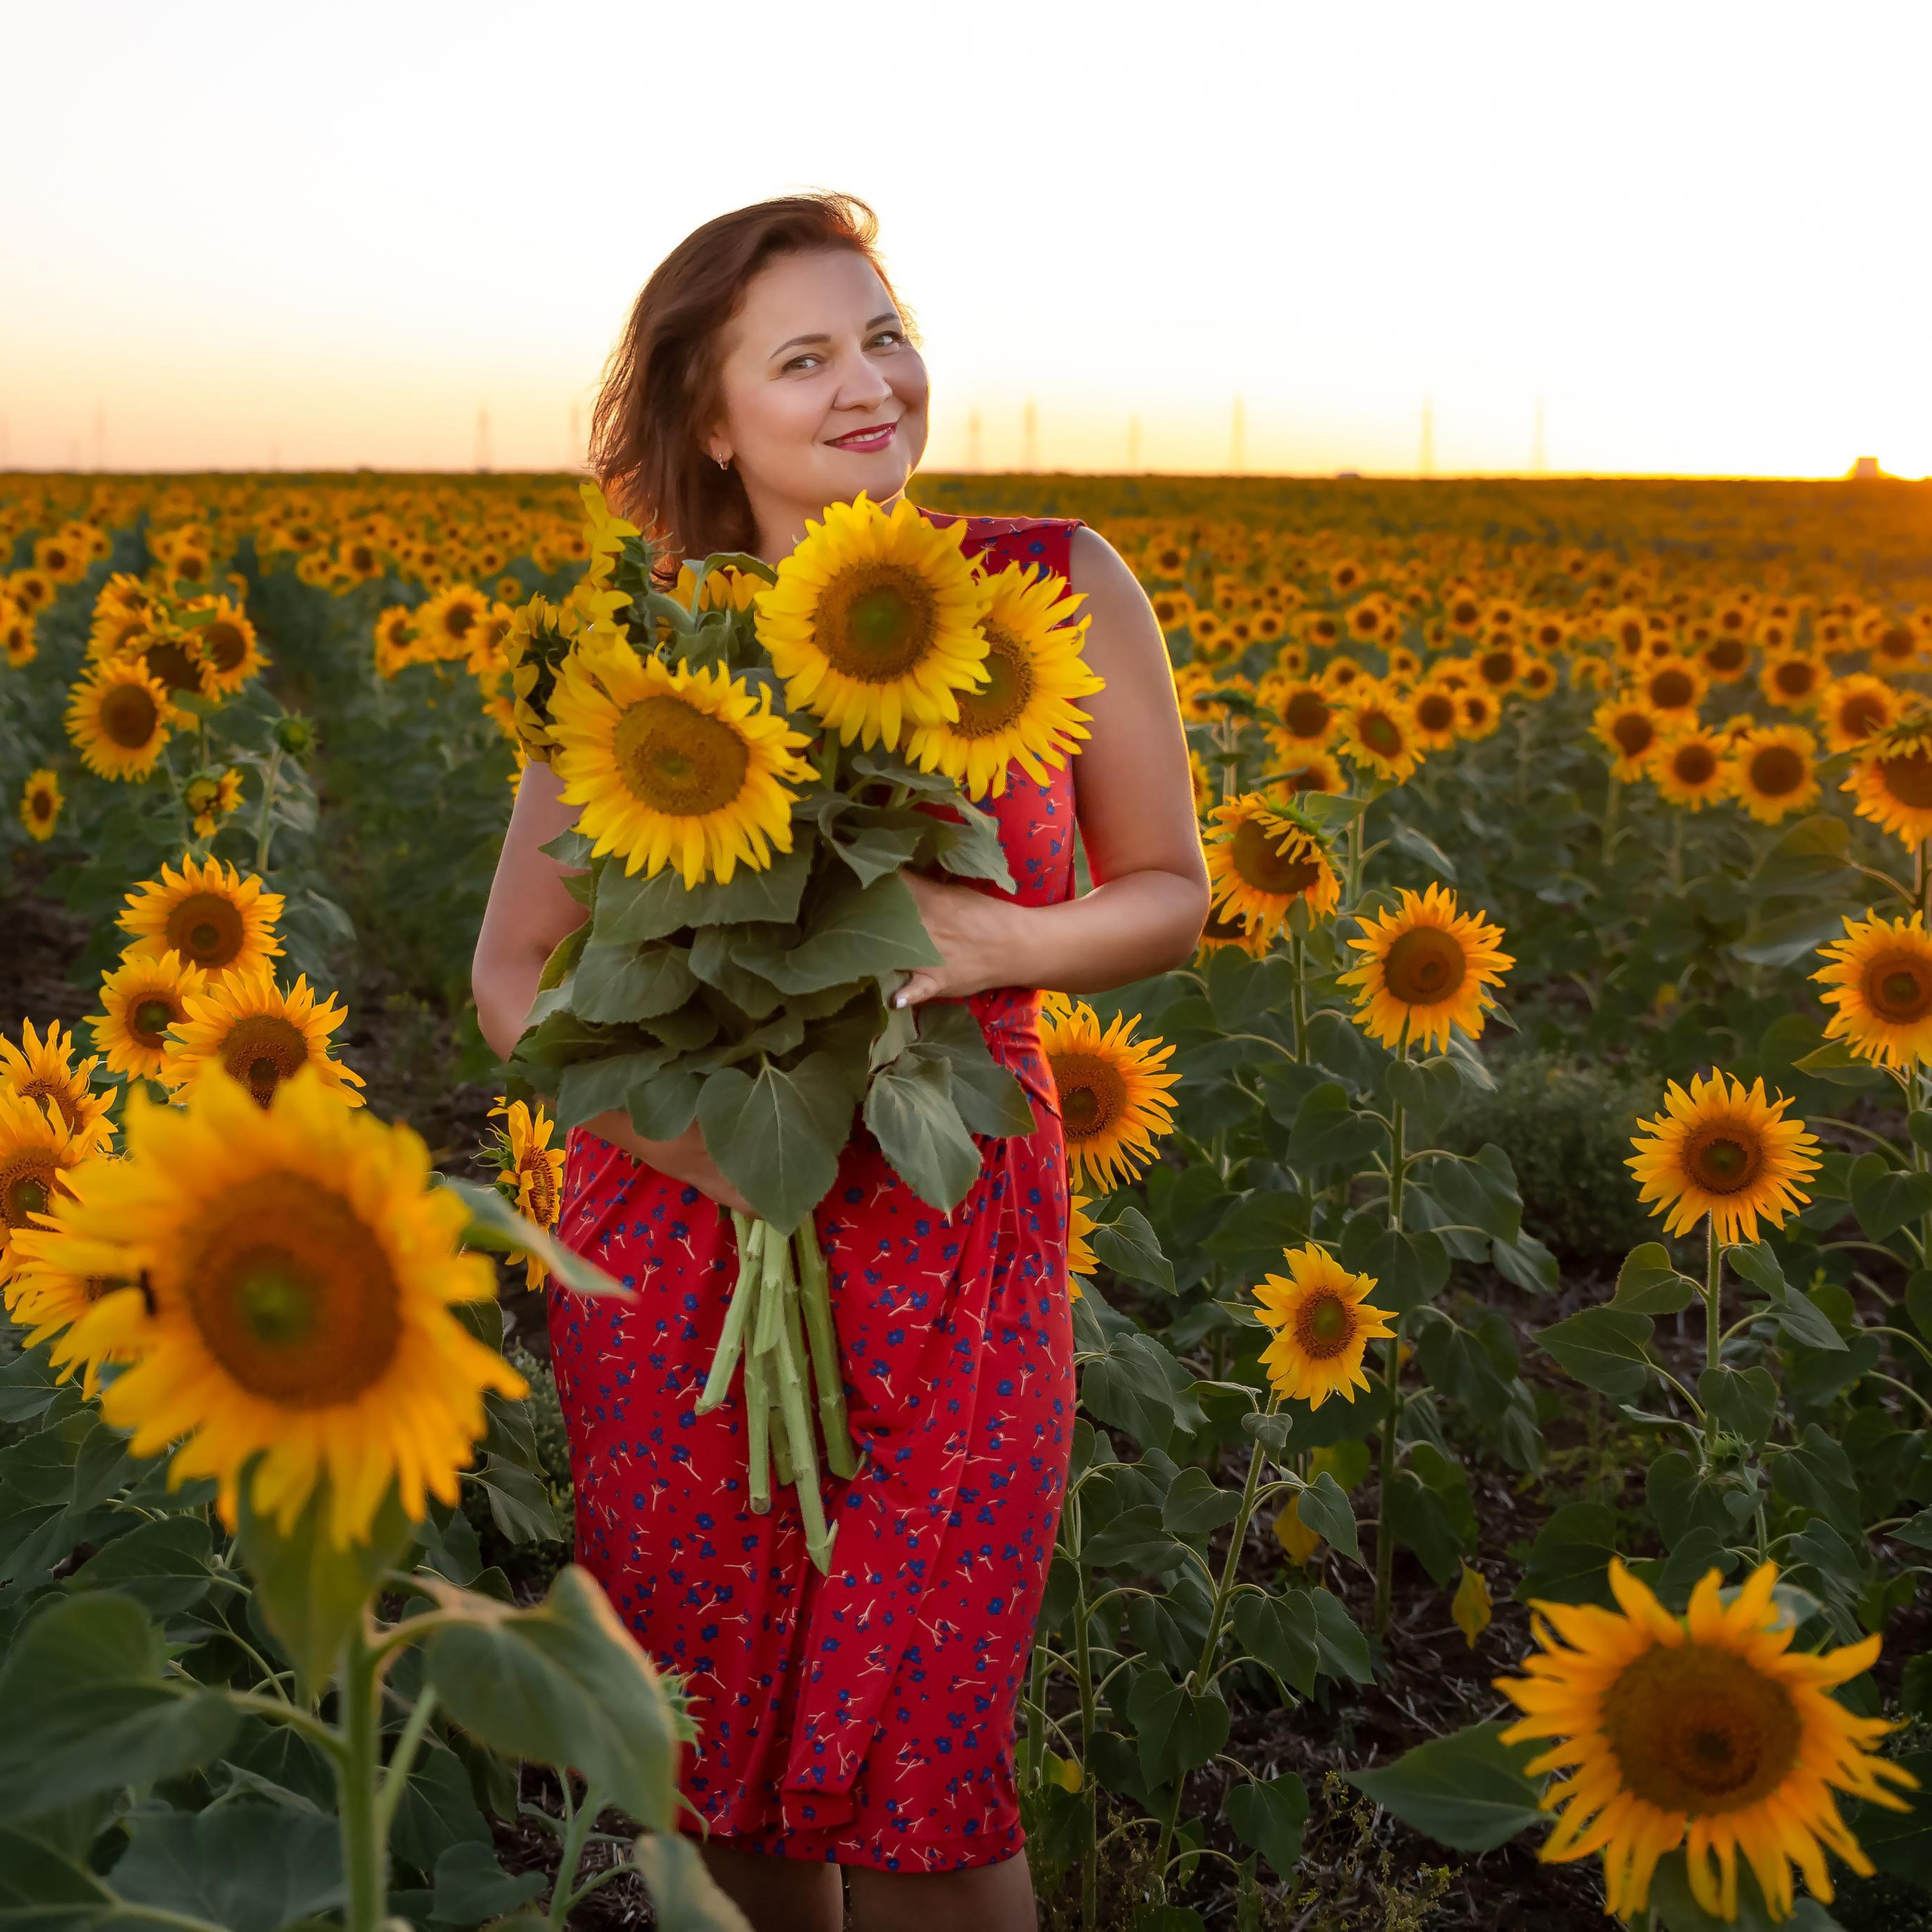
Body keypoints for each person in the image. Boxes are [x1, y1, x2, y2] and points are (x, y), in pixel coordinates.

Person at [472, 192, 1207, 1932]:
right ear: (711, 420)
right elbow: (515, 971)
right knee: (719, 1760)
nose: (870, 381)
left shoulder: (1048, 582)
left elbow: (1168, 893)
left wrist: (1000, 943)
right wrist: (701, 1144)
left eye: (884, 332)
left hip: (955, 1212)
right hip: (677, 1236)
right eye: (805, 357)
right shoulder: (648, 657)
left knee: (929, 1767)